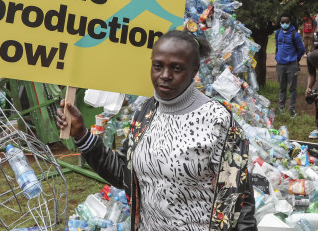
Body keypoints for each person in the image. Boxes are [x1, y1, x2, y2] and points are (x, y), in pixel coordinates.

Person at [57, 30, 257, 231]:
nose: (165, 76)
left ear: (194, 70)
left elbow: (240, 200)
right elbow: (123, 174)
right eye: (158, 66)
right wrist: (82, 134)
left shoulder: (218, 120)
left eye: (177, 68)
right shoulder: (144, 114)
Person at [275, 13, 305, 117]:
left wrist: (295, 58)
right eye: (282, 22)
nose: (284, 24)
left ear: (290, 22)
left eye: (286, 22)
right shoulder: (277, 33)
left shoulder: (295, 34)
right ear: (280, 23)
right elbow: (277, 46)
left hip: (291, 65)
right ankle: (281, 108)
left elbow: (301, 49)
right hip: (280, 65)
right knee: (282, 88)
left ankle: (292, 110)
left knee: (292, 88)